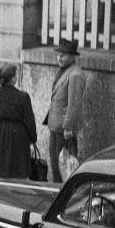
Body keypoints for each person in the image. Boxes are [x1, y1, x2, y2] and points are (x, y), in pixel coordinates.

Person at [0, 64, 37, 178]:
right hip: (17, 136)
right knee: (16, 172)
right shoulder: (23, 96)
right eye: (16, 76)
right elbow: (30, 122)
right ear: (12, 79)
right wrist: (33, 139)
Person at [45, 38, 86, 183]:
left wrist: (69, 127)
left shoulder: (75, 74)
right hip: (56, 125)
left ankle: (61, 193)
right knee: (56, 164)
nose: (59, 58)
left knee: (64, 167)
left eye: (63, 55)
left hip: (64, 129)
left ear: (72, 56)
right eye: (58, 54)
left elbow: (74, 103)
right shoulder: (66, 71)